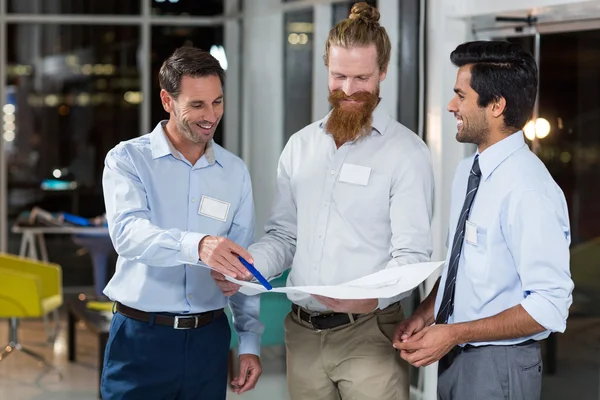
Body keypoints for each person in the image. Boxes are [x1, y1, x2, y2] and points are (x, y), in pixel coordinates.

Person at [212, 3, 433, 399]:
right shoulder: (300, 146)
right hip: (302, 334)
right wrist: (247, 268)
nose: (348, 90)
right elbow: (284, 237)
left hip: (370, 336)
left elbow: (412, 255)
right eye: (339, 76)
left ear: (383, 72)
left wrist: (370, 296)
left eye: (362, 77)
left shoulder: (407, 154)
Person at [394, 40, 574, 400]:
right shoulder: (468, 171)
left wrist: (455, 333)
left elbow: (550, 304)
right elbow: (463, 263)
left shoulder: (529, 189)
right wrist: (427, 312)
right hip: (457, 354)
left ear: (496, 106)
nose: (451, 106)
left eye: (461, 96)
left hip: (500, 366)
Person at [100, 46, 263, 399]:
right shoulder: (128, 159)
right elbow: (128, 235)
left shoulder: (234, 172)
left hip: (210, 340)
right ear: (167, 100)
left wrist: (249, 340)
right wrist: (199, 246)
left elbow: (242, 260)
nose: (211, 116)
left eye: (217, 102)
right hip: (141, 339)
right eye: (197, 105)